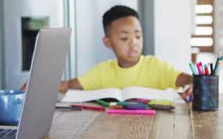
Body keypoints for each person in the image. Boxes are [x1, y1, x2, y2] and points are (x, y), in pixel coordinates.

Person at [59, 5, 192, 97]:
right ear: (108, 42)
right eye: (124, 38)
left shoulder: (156, 66)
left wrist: (194, 84)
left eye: (138, 36)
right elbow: (68, 85)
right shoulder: (102, 71)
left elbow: (187, 79)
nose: (134, 43)